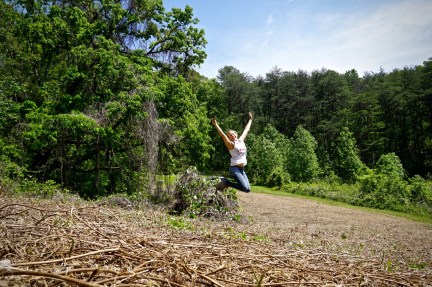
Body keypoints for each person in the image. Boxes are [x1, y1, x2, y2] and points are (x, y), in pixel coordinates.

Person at [211, 112, 253, 193]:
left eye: (232, 134)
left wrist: (250, 119)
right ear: (229, 138)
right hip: (234, 169)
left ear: (236, 134)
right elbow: (223, 135)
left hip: (241, 169)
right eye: (229, 135)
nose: (231, 136)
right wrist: (216, 125)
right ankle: (226, 182)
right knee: (245, 188)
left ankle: (226, 182)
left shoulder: (241, 141)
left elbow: (246, 129)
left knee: (247, 189)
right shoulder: (231, 145)